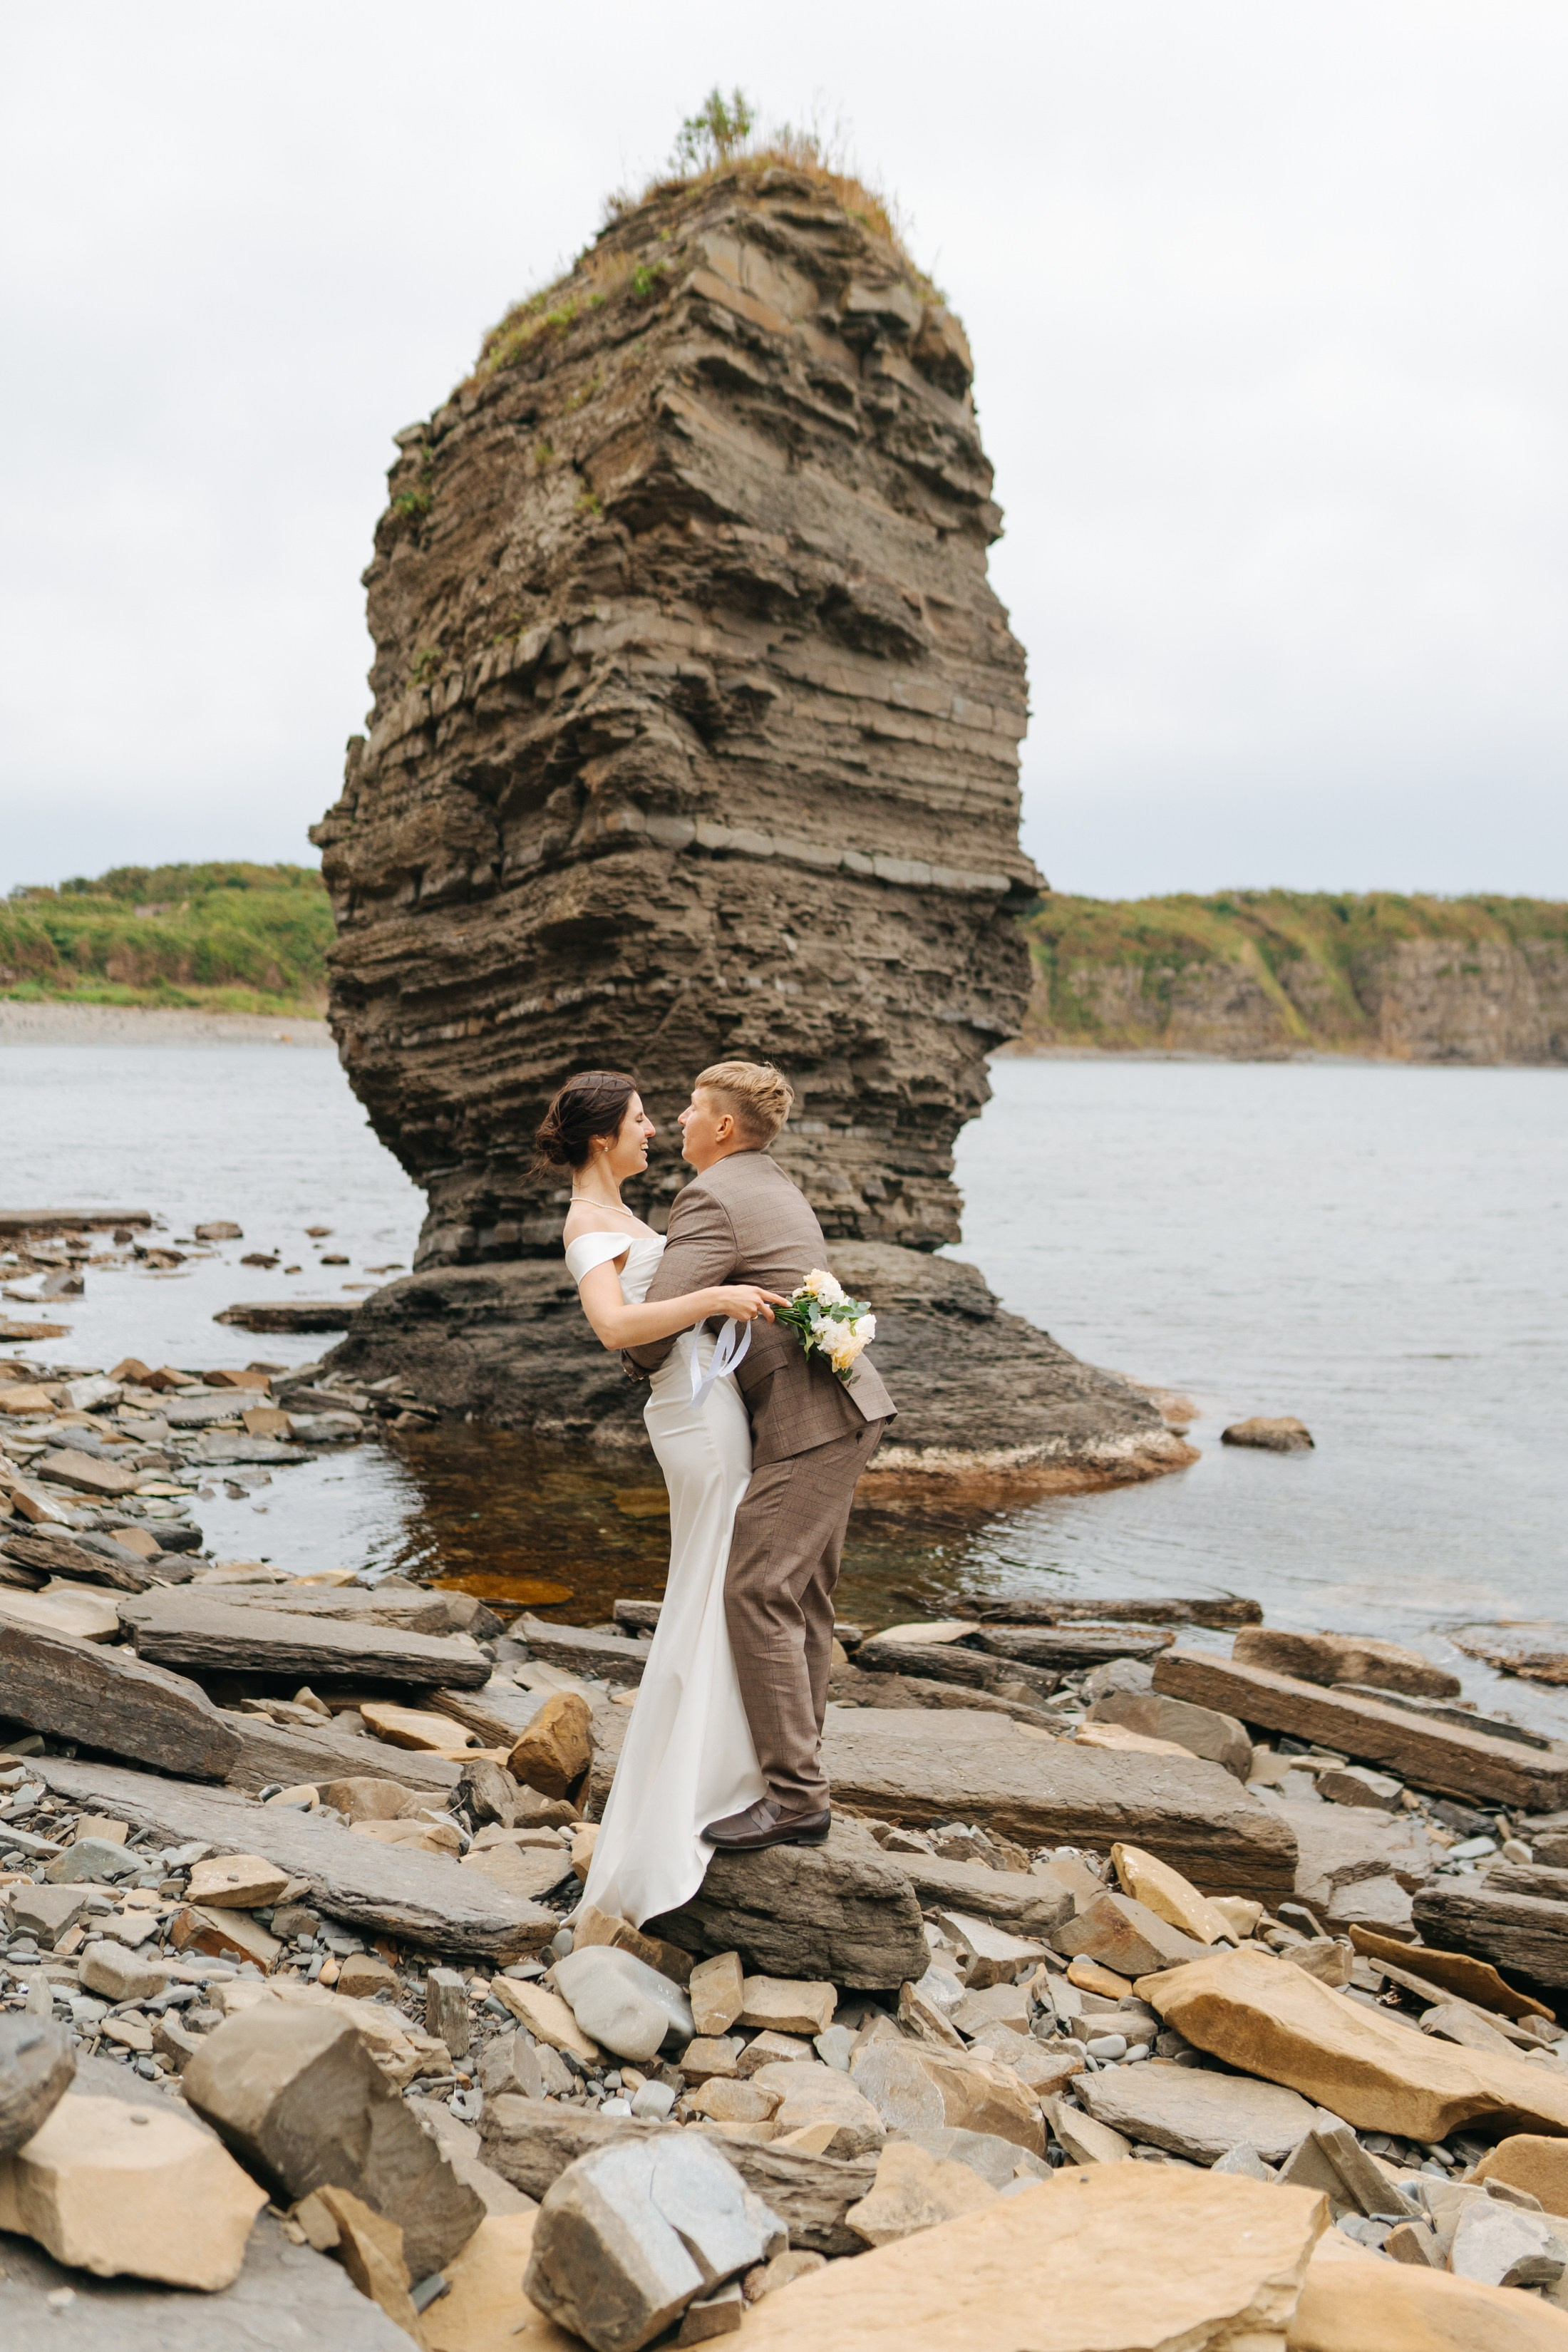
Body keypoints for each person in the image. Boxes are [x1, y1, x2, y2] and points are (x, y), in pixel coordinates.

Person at [625, 1060, 895, 1855]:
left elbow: (652, 1327)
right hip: (841, 1408)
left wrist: (637, 1355)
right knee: (804, 1599)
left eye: (691, 1109)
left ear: (722, 1128)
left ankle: (795, 1798)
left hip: (811, 1420)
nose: (677, 1119)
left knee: (757, 1587)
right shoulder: (770, 1180)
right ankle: (789, 1774)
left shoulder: (711, 1194)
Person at [547, 1068, 786, 1927]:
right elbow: (614, 1326)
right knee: (713, 1584)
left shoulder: (621, 1216)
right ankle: (711, 1783)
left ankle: (720, 1770)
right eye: (642, 1120)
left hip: (704, 1404)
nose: (654, 1130)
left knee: (718, 1581)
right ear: (602, 1136)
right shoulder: (588, 1222)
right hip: (690, 1419)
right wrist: (713, 1298)